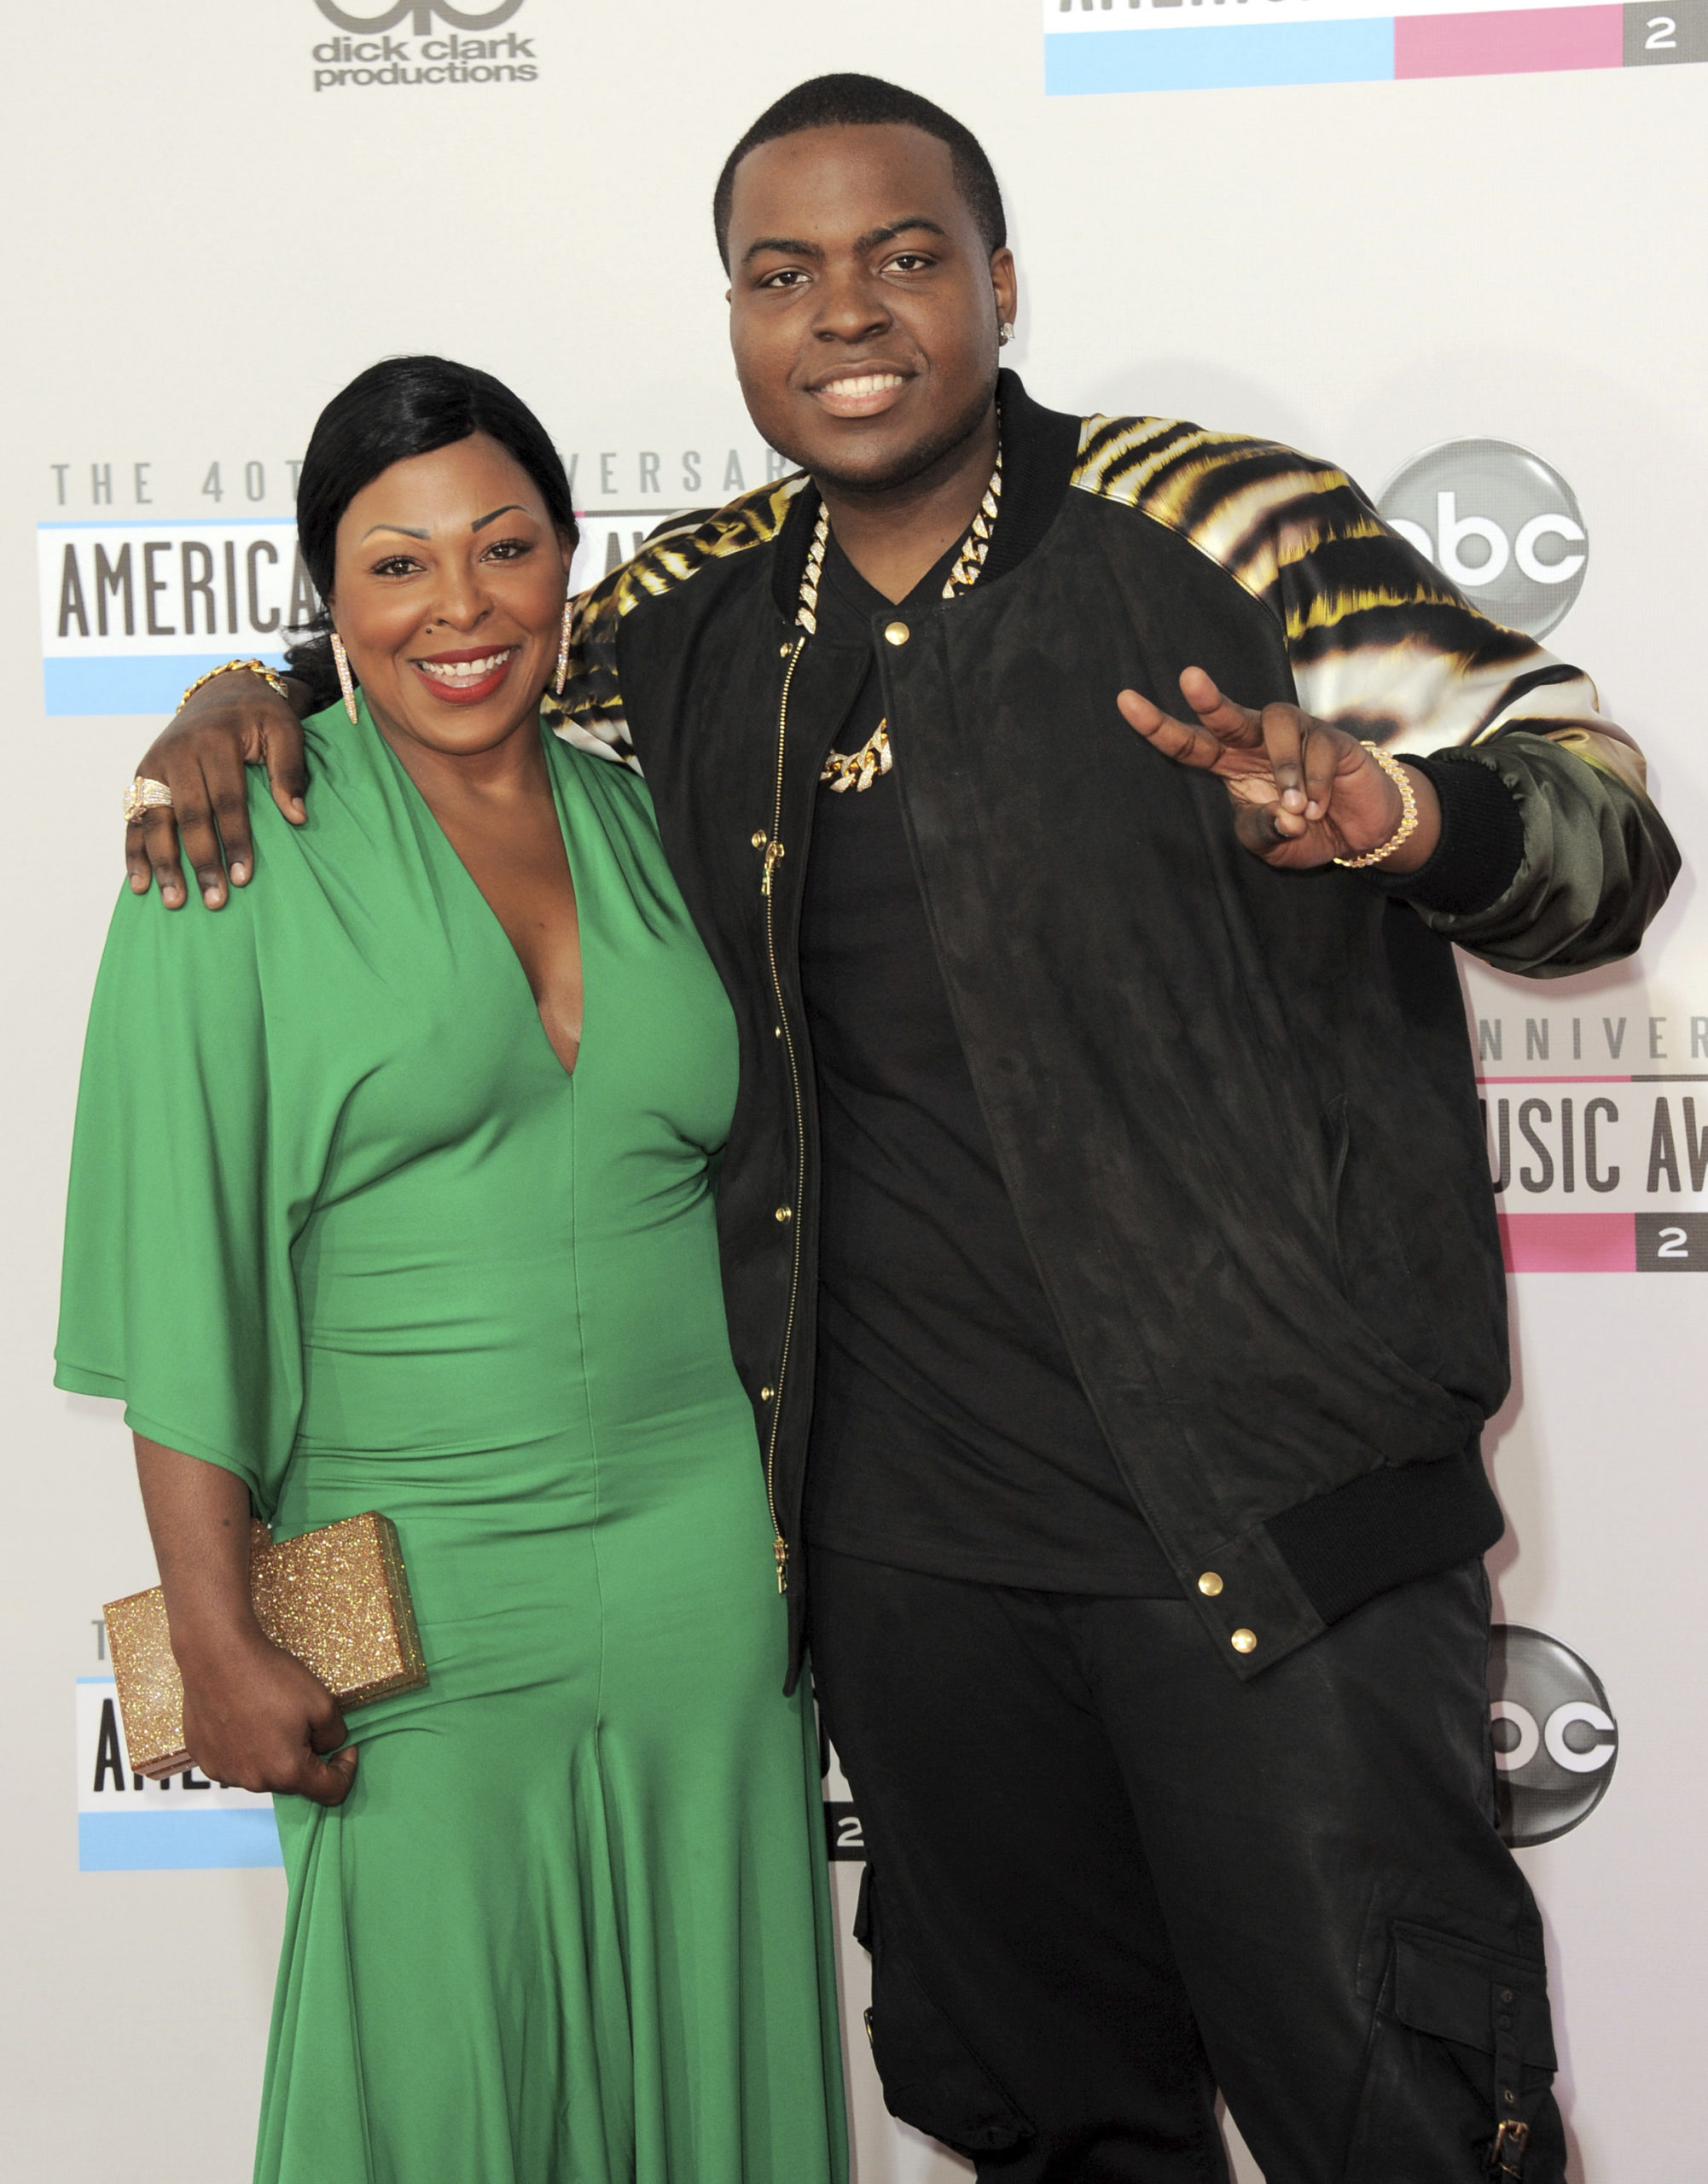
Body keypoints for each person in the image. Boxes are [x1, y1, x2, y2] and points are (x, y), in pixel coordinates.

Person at [122, 78, 1676, 2184]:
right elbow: (446, 644)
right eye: (784, 273)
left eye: (902, 255)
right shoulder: (687, 612)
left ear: (1001, 283)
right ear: (739, 324)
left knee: (1400, 2126)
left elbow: (1589, 808)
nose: (843, 311)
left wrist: (1397, 811)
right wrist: (253, 686)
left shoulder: (1228, 521)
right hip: (910, 1578)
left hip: (1276, 1542)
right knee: (1046, 2135)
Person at [57, 356, 847, 2184]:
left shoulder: (660, 820)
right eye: (394, 564)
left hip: (704, 1571)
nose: (457, 605)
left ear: (571, 565)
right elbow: (186, 1254)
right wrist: (209, 1622)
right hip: (403, 1591)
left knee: (710, 2047)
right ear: (325, 600)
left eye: (500, 548)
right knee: (427, 2074)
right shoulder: (233, 839)